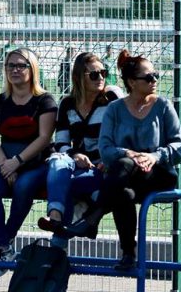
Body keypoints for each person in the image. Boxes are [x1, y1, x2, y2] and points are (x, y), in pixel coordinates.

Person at [55, 49, 181, 271]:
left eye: (156, 75)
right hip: (125, 180)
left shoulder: (163, 106)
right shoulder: (115, 109)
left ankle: (91, 217)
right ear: (132, 82)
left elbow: (179, 147)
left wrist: (153, 156)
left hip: (158, 176)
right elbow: (105, 149)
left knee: (122, 167)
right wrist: (130, 153)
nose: (154, 80)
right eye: (148, 77)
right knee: (123, 191)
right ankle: (128, 253)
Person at [0, 48, 57, 278]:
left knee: (24, 186)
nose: (14, 70)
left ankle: (1, 245)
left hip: (36, 163)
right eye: (10, 65)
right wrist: (5, 164)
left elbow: (44, 138)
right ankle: (2, 246)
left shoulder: (45, 100)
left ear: (32, 69)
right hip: (6, 163)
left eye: (21, 65)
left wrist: (18, 162)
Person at [36, 52, 122, 248]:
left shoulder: (112, 98)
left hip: (103, 167)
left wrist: (108, 159)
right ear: (79, 77)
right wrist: (75, 155)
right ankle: (63, 218)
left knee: (64, 184)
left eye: (103, 73)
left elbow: (125, 133)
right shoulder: (67, 103)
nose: (101, 78)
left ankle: (58, 242)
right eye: (94, 74)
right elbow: (61, 142)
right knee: (57, 161)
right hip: (77, 165)